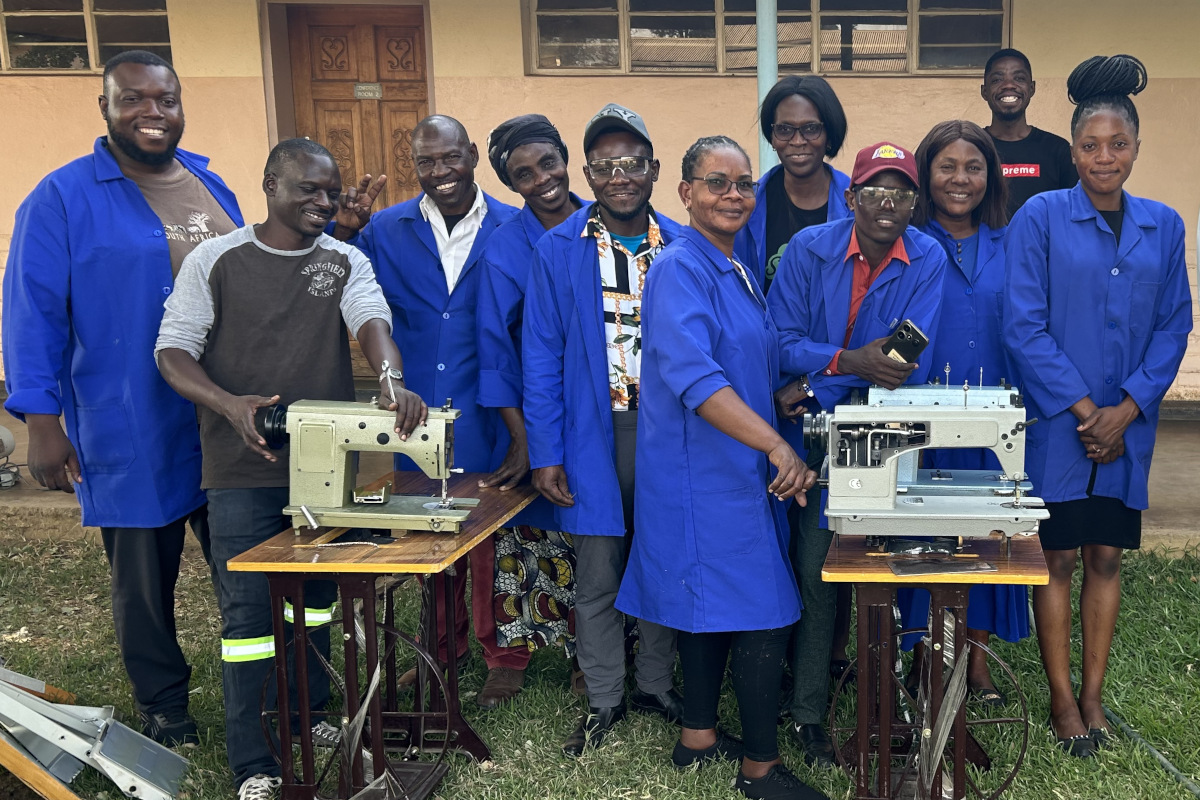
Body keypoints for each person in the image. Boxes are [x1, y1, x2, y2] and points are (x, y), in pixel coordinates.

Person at [155, 138, 427, 800]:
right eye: (308, 189)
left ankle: (309, 719)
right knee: (249, 620)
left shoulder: (342, 260)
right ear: (270, 184)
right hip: (240, 469)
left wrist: (390, 378)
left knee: (315, 604)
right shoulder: (215, 260)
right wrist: (228, 404)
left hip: (322, 469)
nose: (323, 202)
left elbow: (371, 321)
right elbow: (172, 352)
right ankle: (255, 762)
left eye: (330, 192)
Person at [2, 50, 242, 747]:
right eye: (132, 99)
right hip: (132, 419)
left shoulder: (207, 180)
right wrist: (42, 422)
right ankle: (165, 707)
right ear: (104, 107)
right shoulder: (62, 197)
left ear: (179, 103)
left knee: (242, 566)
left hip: (219, 416)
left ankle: (257, 689)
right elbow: (31, 312)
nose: (151, 113)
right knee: (144, 579)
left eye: (164, 99)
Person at [615, 135, 828, 800]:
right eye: (716, 182)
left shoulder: (733, 267)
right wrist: (776, 445)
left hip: (732, 470)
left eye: (742, 185)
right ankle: (761, 768)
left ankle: (698, 739)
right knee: (766, 611)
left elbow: (738, 368)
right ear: (685, 193)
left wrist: (779, 400)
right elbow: (693, 377)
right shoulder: (681, 267)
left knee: (708, 608)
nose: (733, 195)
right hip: (701, 474)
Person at [1004, 54, 1192, 758]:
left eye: (1118, 145)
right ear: (1073, 150)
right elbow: (1024, 324)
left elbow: (1174, 323)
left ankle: (1094, 697)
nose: (1103, 157)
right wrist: (1089, 411)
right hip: (1062, 430)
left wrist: (1131, 407)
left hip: (1128, 429)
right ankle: (1060, 701)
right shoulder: (1041, 217)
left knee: (1106, 558)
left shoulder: (1163, 225)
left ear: (1136, 149)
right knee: (1056, 559)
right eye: (1090, 145)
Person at [335, 115, 528, 700]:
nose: (440, 172)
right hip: (415, 413)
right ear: (414, 165)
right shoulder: (385, 230)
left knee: (491, 538)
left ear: (471, 154)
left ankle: (505, 657)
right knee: (430, 536)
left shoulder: (514, 227)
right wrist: (345, 232)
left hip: (488, 407)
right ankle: (442, 649)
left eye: (450, 158)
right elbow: (345, 289)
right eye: (426, 162)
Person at [769, 142, 948, 767]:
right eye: (874, 191)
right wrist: (845, 361)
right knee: (818, 566)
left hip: (886, 429)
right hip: (810, 437)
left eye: (901, 193)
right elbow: (780, 341)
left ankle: (887, 701)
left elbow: (899, 360)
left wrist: (818, 378)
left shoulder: (927, 256)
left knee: (883, 568)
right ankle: (811, 711)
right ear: (850, 197)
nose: (887, 205)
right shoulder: (808, 250)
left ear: (914, 202)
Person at [523, 103, 685, 756]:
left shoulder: (682, 244)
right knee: (597, 573)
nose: (620, 175)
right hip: (595, 434)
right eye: (606, 165)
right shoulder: (557, 250)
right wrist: (546, 452)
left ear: (653, 169)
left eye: (633, 163)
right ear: (588, 173)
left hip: (669, 436)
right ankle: (605, 698)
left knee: (665, 561)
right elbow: (538, 354)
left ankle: (656, 685)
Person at [895, 120, 1026, 703]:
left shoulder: (1013, 243)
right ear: (926, 174)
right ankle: (925, 659)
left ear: (990, 177)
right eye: (947, 166)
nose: (960, 178)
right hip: (926, 420)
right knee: (924, 543)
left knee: (983, 540)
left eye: (974, 167)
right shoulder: (906, 243)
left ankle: (975, 664)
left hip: (995, 419)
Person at [473, 114, 587, 705]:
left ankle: (588, 650)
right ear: (510, 184)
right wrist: (524, 439)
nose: (542, 179)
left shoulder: (606, 223)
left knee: (592, 532)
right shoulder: (503, 248)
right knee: (524, 538)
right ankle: (508, 658)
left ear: (567, 158)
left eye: (548, 163)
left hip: (599, 407)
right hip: (529, 412)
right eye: (523, 173)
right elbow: (495, 348)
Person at [735, 75, 851, 292]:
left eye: (811, 128)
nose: (797, 141)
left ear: (830, 135)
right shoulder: (745, 204)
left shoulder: (857, 206)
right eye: (785, 129)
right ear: (773, 137)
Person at [981, 48, 1077, 219]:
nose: (1009, 85)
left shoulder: (1058, 150)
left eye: (1019, 78)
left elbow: (1072, 212)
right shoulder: (973, 147)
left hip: (1043, 246)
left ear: (1032, 88)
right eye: (997, 79)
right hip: (986, 246)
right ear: (984, 91)